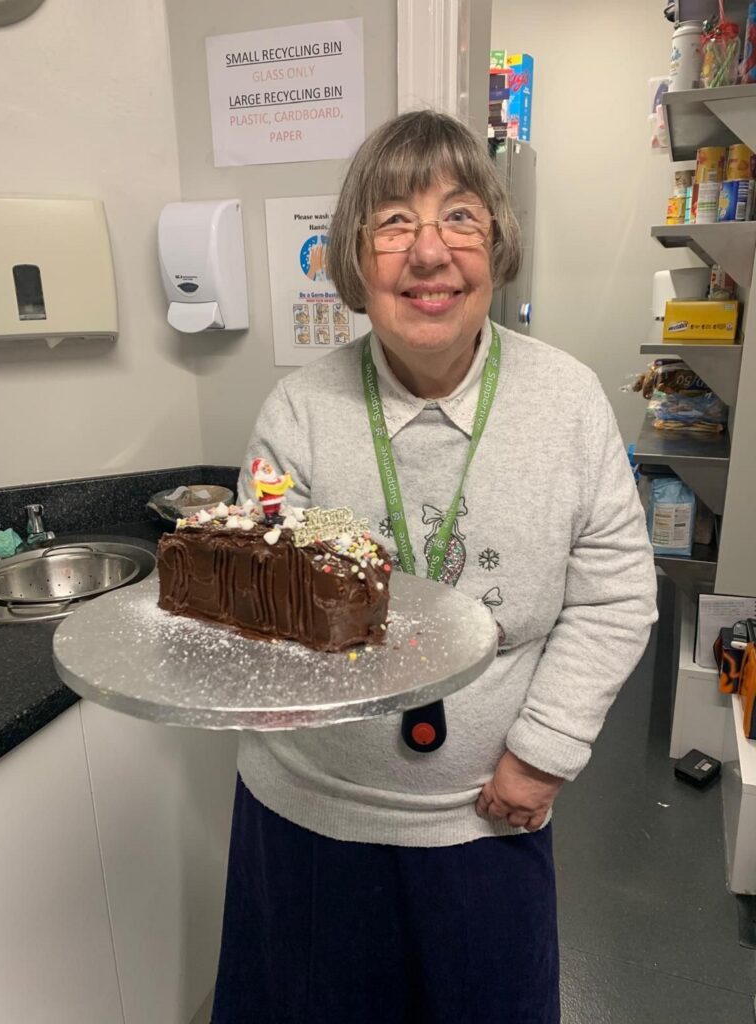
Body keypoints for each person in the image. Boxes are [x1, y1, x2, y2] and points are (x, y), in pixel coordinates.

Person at [211, 109, 657, 1024]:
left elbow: (615, 591)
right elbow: (266, 598)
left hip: (486, 817)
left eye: (460, 217)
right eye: (392, 223)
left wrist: (543, 755)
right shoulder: (297, 413)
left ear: (495, 245)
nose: (428, 252)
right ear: (353, 255)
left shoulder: (567, 403)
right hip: (308, 817)